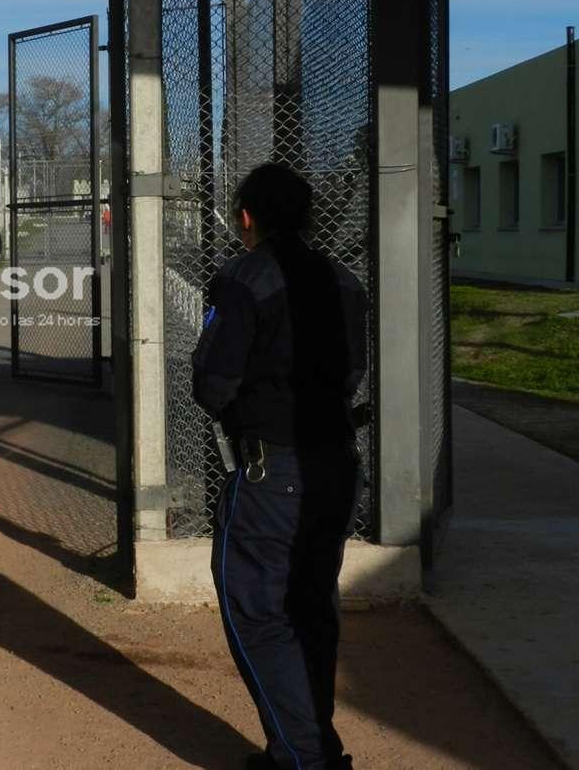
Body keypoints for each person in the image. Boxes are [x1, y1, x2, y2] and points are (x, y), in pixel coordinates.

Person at [191, 163, 367, 770]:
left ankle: (305, 757)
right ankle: (307, 745)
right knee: (311, 607)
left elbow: (213, 383)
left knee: (259, 612)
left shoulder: (243, 279)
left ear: (246, 218)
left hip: (275, 472)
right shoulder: (344, 280)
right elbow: (352, 372)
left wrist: (251, 409)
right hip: (336, 466)